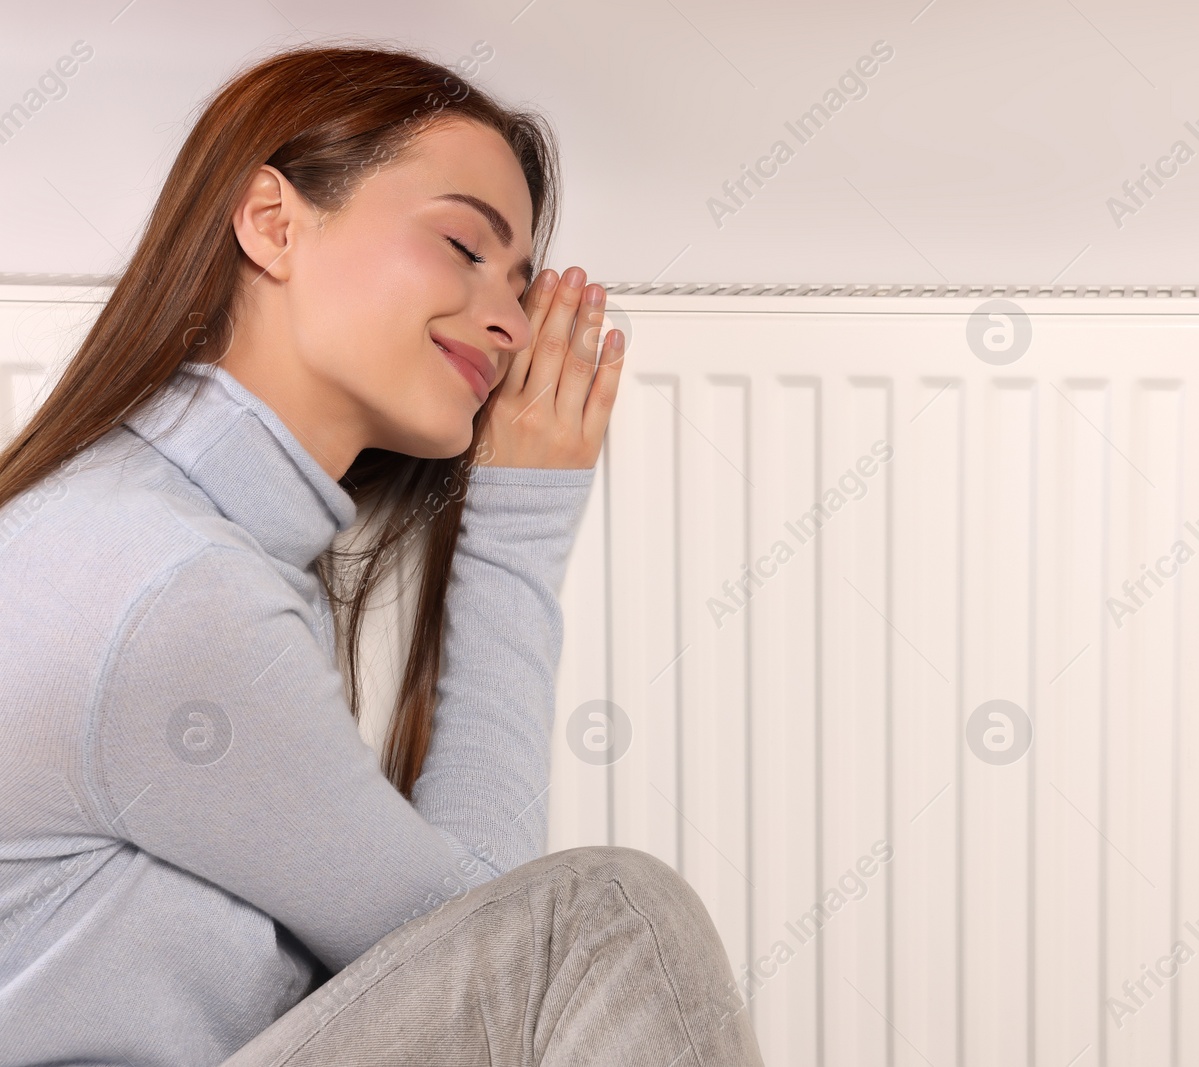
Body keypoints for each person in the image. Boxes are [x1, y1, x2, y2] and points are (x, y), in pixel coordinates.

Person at [0, 42, 763, 1066]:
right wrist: (518, 524)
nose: (506, 319)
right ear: (272, 223)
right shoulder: (166, 587)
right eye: (462, 244)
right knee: (613, 914)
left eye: (521, 282)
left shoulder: (165, 532)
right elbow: (487, 943)